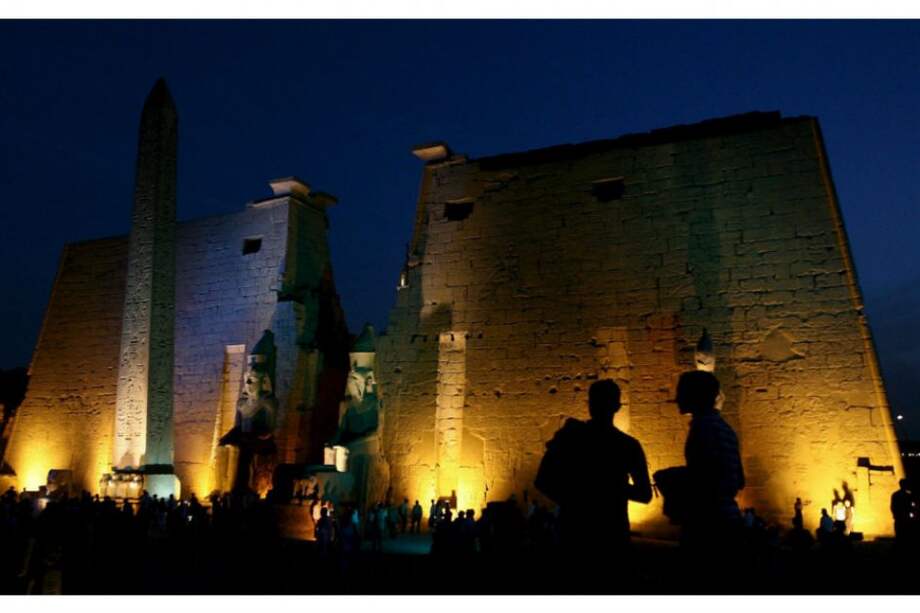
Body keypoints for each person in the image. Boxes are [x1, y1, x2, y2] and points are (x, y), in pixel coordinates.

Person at [535, 379, 652, 556]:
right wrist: (612, 488)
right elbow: (644, 494)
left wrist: (574, 500)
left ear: (589, 405)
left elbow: (542, 481)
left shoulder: (570, 437)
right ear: (617, 407)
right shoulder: (628, 445)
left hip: (576, 532)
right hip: (611, 534)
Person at [676, 371, 745, 550]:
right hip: (728, 517)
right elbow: (739, 480)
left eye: (681, 392)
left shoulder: (703, 428)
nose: (676, 399)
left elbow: (705, 481)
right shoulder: (726, 429)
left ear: (695, 396)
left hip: (710, 523)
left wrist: (676, 480)